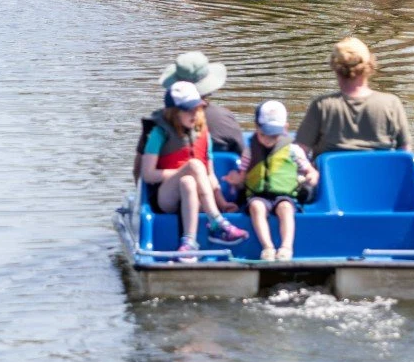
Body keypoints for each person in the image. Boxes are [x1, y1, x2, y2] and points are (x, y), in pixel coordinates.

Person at [140, 81, 248, 259]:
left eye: (197, 109)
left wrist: (222, 203)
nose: (194, 114)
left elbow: (210, 175)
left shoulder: (203, 133)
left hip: (195, 198)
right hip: (167, 197)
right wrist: (184, 170)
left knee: (189, 181)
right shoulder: (159, 134)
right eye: (188, 110)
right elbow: (148, 174)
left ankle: (189, 242)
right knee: (194, 167)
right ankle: (217, 223)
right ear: (174, 112)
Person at [224, 100, 319, 261]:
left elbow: (308, 169)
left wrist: (312, 175)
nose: (268, 139)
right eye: (264, 134)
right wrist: (235, 180)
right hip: (258, 195)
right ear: (256, 128)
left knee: (286, 208)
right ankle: (267, 247)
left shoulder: (293, 150)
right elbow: (243, 176)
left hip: (285, 195)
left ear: (285, 128)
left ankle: (286, 247)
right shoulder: (249, 151)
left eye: (274, 135)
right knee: (256, 207)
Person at [134, 50, 245, 181]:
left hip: (170, 193)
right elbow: (245, 158)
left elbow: (138, 170)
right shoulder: (226, 118)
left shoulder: (157, 124)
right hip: (220, 188)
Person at [295, 36, 412, 157]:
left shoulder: (322, 106)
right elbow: (405, 152)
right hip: (378, 175)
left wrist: (309, 170)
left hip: (333, 176)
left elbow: (299, 151)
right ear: (369, 65)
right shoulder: (392, 103)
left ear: (335, 67)